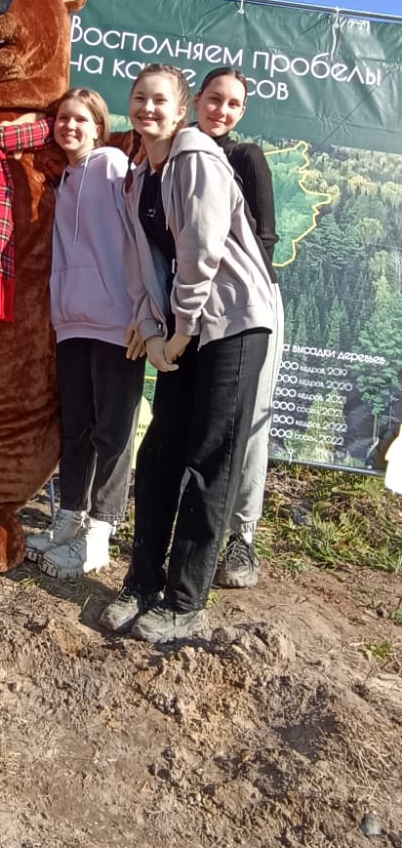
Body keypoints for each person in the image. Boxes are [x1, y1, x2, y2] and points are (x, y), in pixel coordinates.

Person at [100, 64, 275, 647]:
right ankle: (140, 583)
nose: (148, 108)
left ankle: (184, 601)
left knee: (209, 459)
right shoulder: (137, 177)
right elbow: (141, 265)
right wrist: (151, 329)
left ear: (181, 111)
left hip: (235, 321)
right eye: (140, 98)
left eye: (160, 101)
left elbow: (201, 251)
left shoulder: (197, 155)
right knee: (160, 455)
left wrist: (179, 329)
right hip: (184, 325)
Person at [24, 88, 145, 578]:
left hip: (118, 323)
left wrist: (145, 311)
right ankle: (70, 518)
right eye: (62, 119)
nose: (68, 126)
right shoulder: (65, 179)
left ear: (98, 125)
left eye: (79, 119)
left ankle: (99, 536)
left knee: (113, 433)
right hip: (71, 322)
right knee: (76, 428)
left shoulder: (113, 163)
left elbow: (140, 233)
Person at [192, 67, 284, 588]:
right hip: (192, 311)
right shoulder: (177, 157)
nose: (221, 111)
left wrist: (235, 299)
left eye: (232, 104)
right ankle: (195, 527)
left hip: (249, 306)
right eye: (214, 99)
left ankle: (241, 539)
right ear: (197, 99)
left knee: (248, 425)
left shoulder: (244, 158)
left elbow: (264, 240)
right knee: (198, 424)